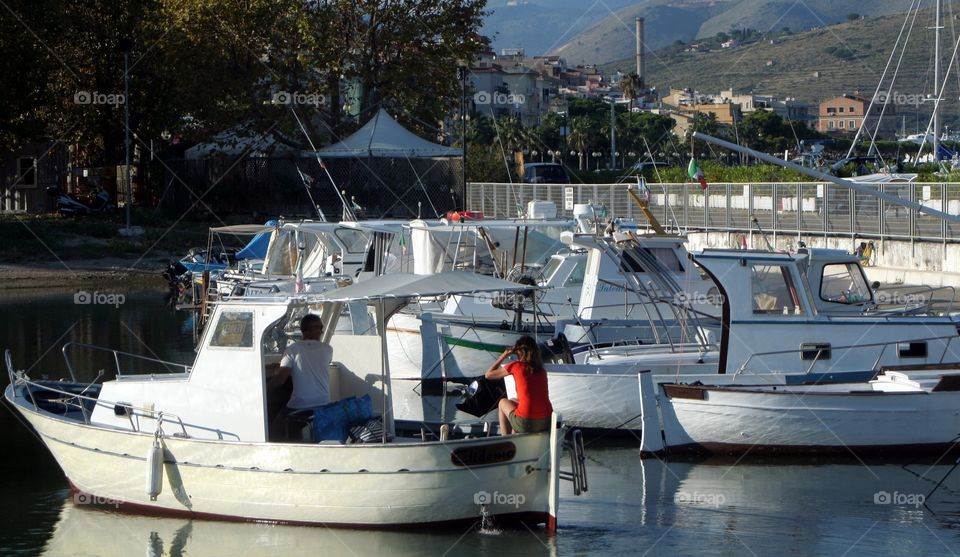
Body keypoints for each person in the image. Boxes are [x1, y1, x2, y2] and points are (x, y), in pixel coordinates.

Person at [268, 314, 333, 439]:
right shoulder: (328, 349)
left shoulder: (292, 350)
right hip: (323, 403)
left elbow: (280, 380)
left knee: (275, 427)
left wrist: (264, 391)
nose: (322, 331)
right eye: (318, 327)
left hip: (301, 405)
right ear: (306, 330)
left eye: (321, 327)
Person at [484, 335, 553, 434]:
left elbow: (488, 375)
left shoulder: (516, 366)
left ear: (519, 352)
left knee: (502, 402)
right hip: (546, 421)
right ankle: (515, 435)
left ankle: (506, 442)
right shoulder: (541, 370)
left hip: (527, 422)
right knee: (513, 401)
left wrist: (503, 356)